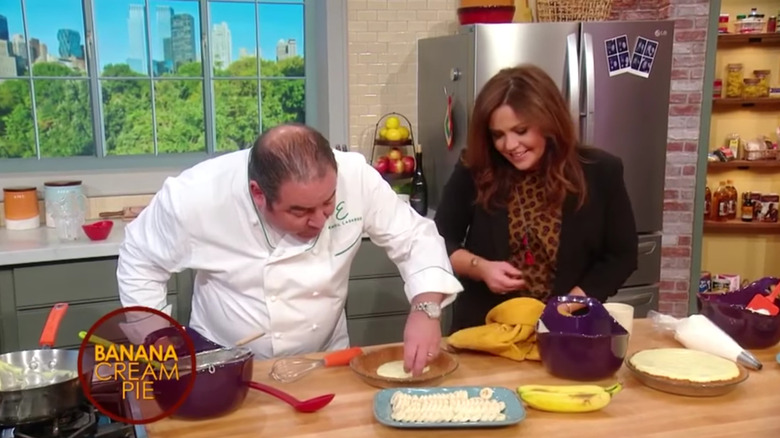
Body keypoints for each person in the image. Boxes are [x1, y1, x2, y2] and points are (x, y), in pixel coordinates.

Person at [117, 123, 463, 375]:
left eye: (328, 203)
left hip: (324, 360)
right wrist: (155, 335)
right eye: (299, 211)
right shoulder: (195, 197)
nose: (319, 221)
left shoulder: (357, 176)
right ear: (257, 193)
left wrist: (426, 308)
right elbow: (139, 258)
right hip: (225, 365)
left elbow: (414, 236)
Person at [433, 65, 638, 333]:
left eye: (520, 131)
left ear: (548, 122)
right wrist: (480, 268)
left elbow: (621, 257)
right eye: (498, 135)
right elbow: (437, 241)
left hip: (567, 331)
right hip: (485, 330)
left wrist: (564, 307)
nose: (509, 145)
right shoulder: (476, 169)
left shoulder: (600, 172)